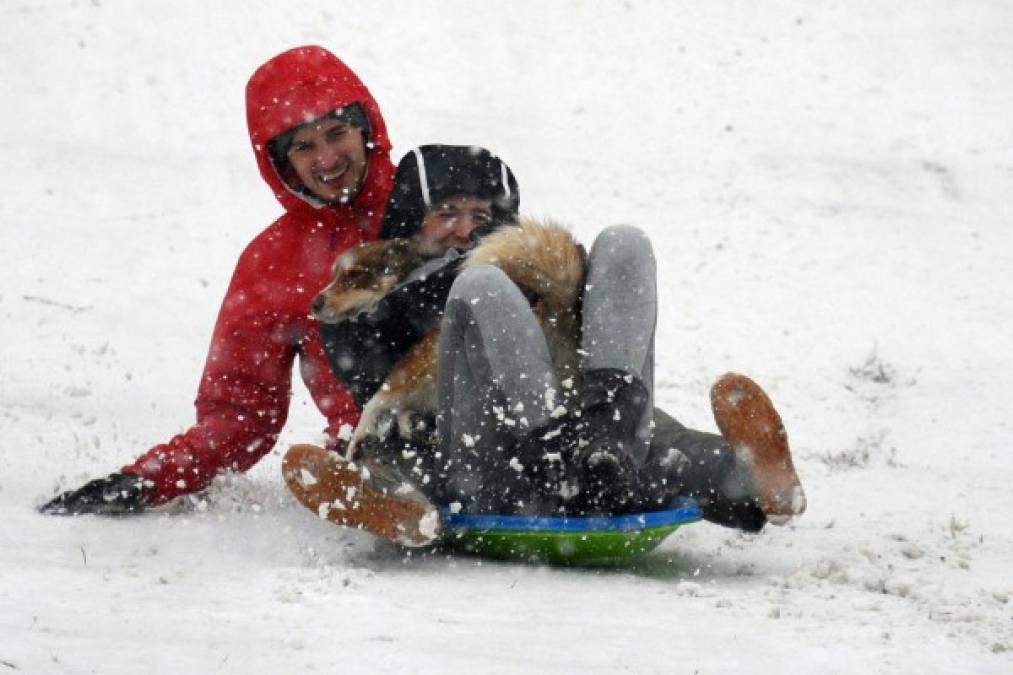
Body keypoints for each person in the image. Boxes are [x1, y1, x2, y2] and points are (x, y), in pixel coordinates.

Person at [305, 144, 805, 539]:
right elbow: (373, 387)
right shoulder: (374, 300)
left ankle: (747, 475)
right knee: (480, 288)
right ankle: (392, 505)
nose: (465, 229)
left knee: (624, 243)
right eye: (447, 213)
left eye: (482, 217)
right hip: (491, 461)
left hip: (598, 449)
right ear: (413, 220)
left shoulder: (531, 272)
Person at [40, 45, 397, 515]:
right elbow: (243, 414)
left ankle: (510, 456)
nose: (326, 158)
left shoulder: (433, 202)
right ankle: (379, 480)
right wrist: (144, 482)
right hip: (376, 443)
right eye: (303, 146)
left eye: (337, 134)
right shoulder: (274, 261)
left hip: (473, 409)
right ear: (281, 163)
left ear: (366, 129)